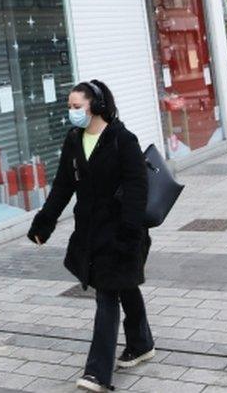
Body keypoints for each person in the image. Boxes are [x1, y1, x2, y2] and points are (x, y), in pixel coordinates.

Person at [27, 80, 153, 392]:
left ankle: (98, 372)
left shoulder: (122, 140)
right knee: (123, 286)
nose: (71, 112)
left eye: (76, 106)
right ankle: (141, 343)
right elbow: (62, 187)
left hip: (121, 231)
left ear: (95, 105)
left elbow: (138, 190)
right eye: (69, 107)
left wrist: (128, 234)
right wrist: (45, 223)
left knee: (107, 295)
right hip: (90, 232)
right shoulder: (74, 140)